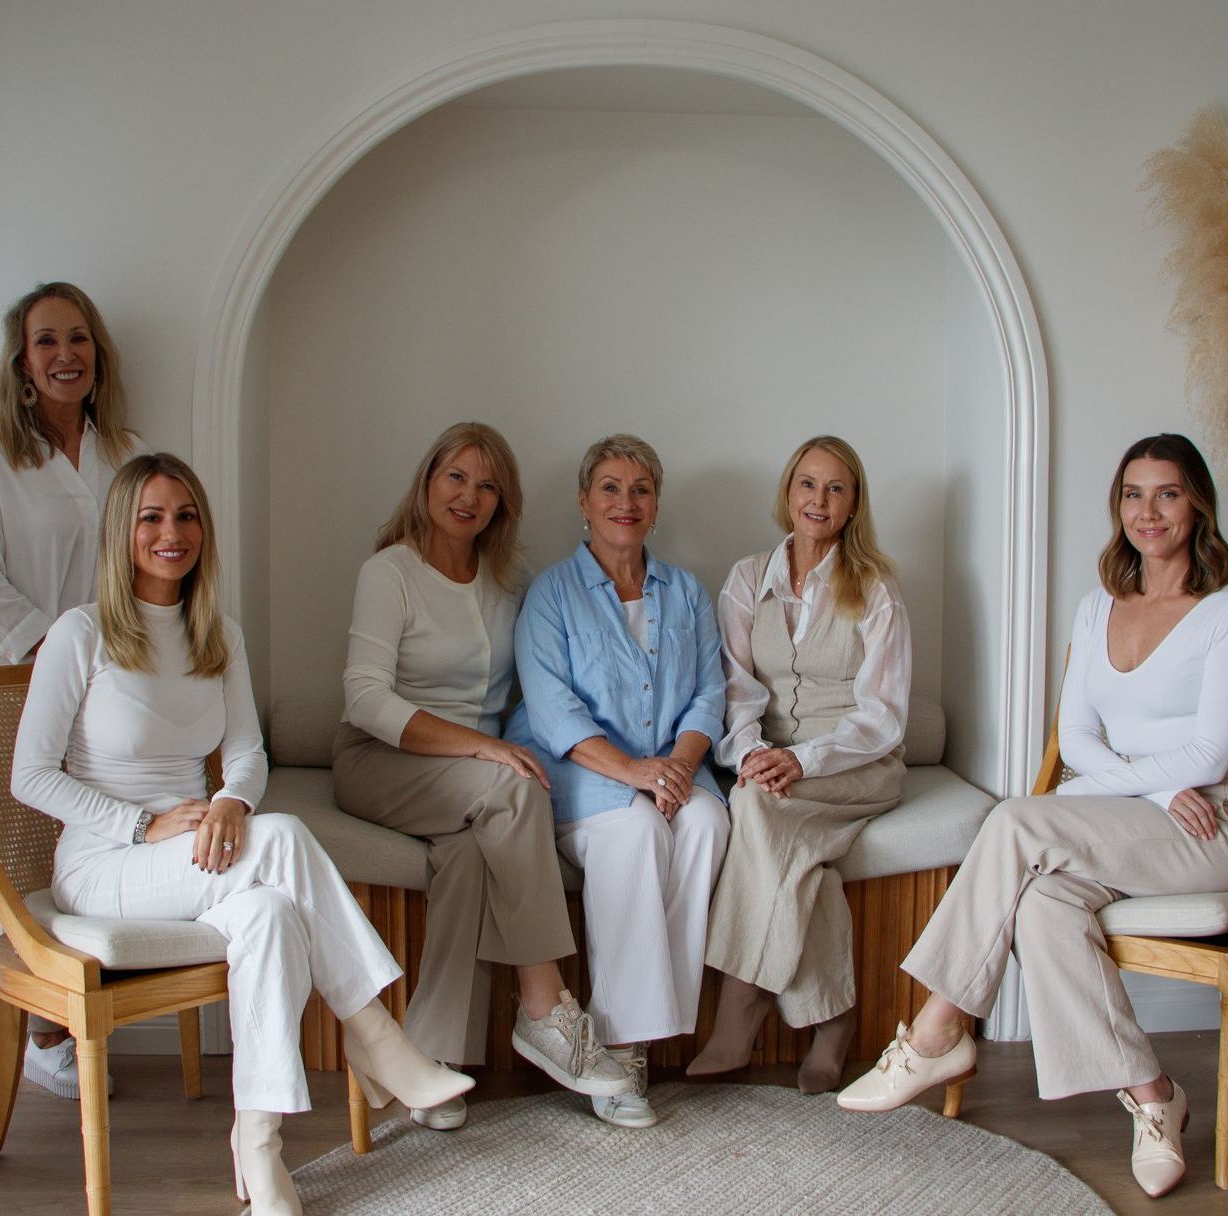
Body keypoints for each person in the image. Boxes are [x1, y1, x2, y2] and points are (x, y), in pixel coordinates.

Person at [12, 453, 470, 1216]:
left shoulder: (216, 633)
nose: (172, 533)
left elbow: (249, 752)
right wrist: (138, 821)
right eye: (152, 517)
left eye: (186, 516)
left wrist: (231, 802)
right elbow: (30, 776)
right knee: (285, 839)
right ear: (121, 532)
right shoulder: (80, 633)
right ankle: (378, 1038)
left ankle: (258, 1148)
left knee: (271, 914)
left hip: (197, 856)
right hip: (104, 864)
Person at [838, 434, 1228, 1200]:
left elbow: (1209, 755)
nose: (1149, 511)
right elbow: (1077, 739)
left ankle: (936, 1030)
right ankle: (1154, 1095)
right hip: (1133, 817)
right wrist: (1156, 789)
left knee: (1014, 823)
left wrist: (1165, 790)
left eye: (1167, 493)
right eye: (1133, 494)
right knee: (1040, 903)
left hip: (1211, 832)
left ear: (1196, 501)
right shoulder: (1099, 605)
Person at [332, 424, 629, 1130]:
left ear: (504, 502)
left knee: (466, 859)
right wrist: (483, 750)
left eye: (487, 484)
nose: (469, 495)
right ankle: (544, 1005)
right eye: (456, 477)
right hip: (380, 760)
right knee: (513, 786)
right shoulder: (390, 572)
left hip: (468, 780)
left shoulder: (510, 583)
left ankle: (434, 1063)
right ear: (428, 480)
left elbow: (538, 687)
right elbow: (365, 700)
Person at [0, 281, 143, 1099]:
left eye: (78, 339)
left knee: (95, 844)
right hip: (17, 679)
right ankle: (43, 1030)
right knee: (24, 846)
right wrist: (52, 650)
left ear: (98, 355)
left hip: (111, 687)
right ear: (22, 363)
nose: (65, 354)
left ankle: (94, 1008)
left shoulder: (124, 454)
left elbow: (143, 562)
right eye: (45, 342)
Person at [508, 434, 730, 1128]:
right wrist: (635, 772)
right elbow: (552, 711)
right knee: (634, 830)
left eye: (639, 489)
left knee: (707, 822)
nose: (625, 502)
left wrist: (680, 768)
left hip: (672, 767)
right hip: (585, 776)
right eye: (610, 487)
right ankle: (621, 1047)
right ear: (583, 502)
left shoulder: (687, 592)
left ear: (656, 504)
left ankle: (649, 1030)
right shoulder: (551, 592)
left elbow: (707, 696)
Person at [686, 435, 911, 1094]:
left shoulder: (877, 588)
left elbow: (883, 717)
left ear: (853, 505)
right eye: (808, 484)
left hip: (856, 759)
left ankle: (740, 1008)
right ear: (788, 494)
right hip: (771, 754)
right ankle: (832, 1019)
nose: (819, 499)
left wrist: (802, 761)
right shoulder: (747, 578)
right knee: (798, 852)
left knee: (756, 807)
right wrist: (756, 751)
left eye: (836, 488)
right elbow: (734, 686)